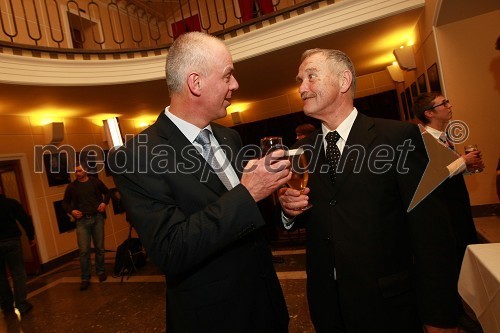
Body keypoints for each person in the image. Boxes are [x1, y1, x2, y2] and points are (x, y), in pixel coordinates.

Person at [109, 32, 291, 333]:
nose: (235, 84)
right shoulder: (137, 155)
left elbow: (248, 220)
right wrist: (247, 193)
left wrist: (283, 206)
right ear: (196, 83)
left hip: (267, 307)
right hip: (213, 319)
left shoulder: (228, 137)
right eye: (228, 75)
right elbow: (170, 249)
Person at [278, 49, 458, 332]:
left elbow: (431, 232)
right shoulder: (303, 150)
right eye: (300, 80)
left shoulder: (399, 138)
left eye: (311, 77)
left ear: (344, 80)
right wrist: (289, 211)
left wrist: (440, 316)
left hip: (388, 307)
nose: (301, 88)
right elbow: (320, 213)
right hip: (328, 308)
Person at [412, 92, 483, 314]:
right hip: (444, 211)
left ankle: (473, 305)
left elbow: (449, 175)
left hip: (458, 206)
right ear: (429, 113)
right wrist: (463, 160)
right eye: (444, 103)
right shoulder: (423, 140)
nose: (449, 105)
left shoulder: (443, 137)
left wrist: (467, 169)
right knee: (455, 259)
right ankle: (458, 311)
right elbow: (434, 174)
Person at [62, 164, 110, 291]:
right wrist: (72, 211)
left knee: (99, 247)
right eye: (76, 171)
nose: (77, 173)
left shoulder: (95, 182)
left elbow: (108, 192)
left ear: (86, 171)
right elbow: (65, 202)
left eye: (80, 171)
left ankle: (100, 271)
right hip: (82, 221)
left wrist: (104, 203)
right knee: (84, 250)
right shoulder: (72, 187)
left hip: (97, 218)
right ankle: (85, 277)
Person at [0, 185, 35, 315]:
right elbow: (25, 220)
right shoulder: (11, 203)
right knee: (18, 273)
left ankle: (7, 306)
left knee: (0, 276)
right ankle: (21, 304)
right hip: (12, 241)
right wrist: (30, 236)